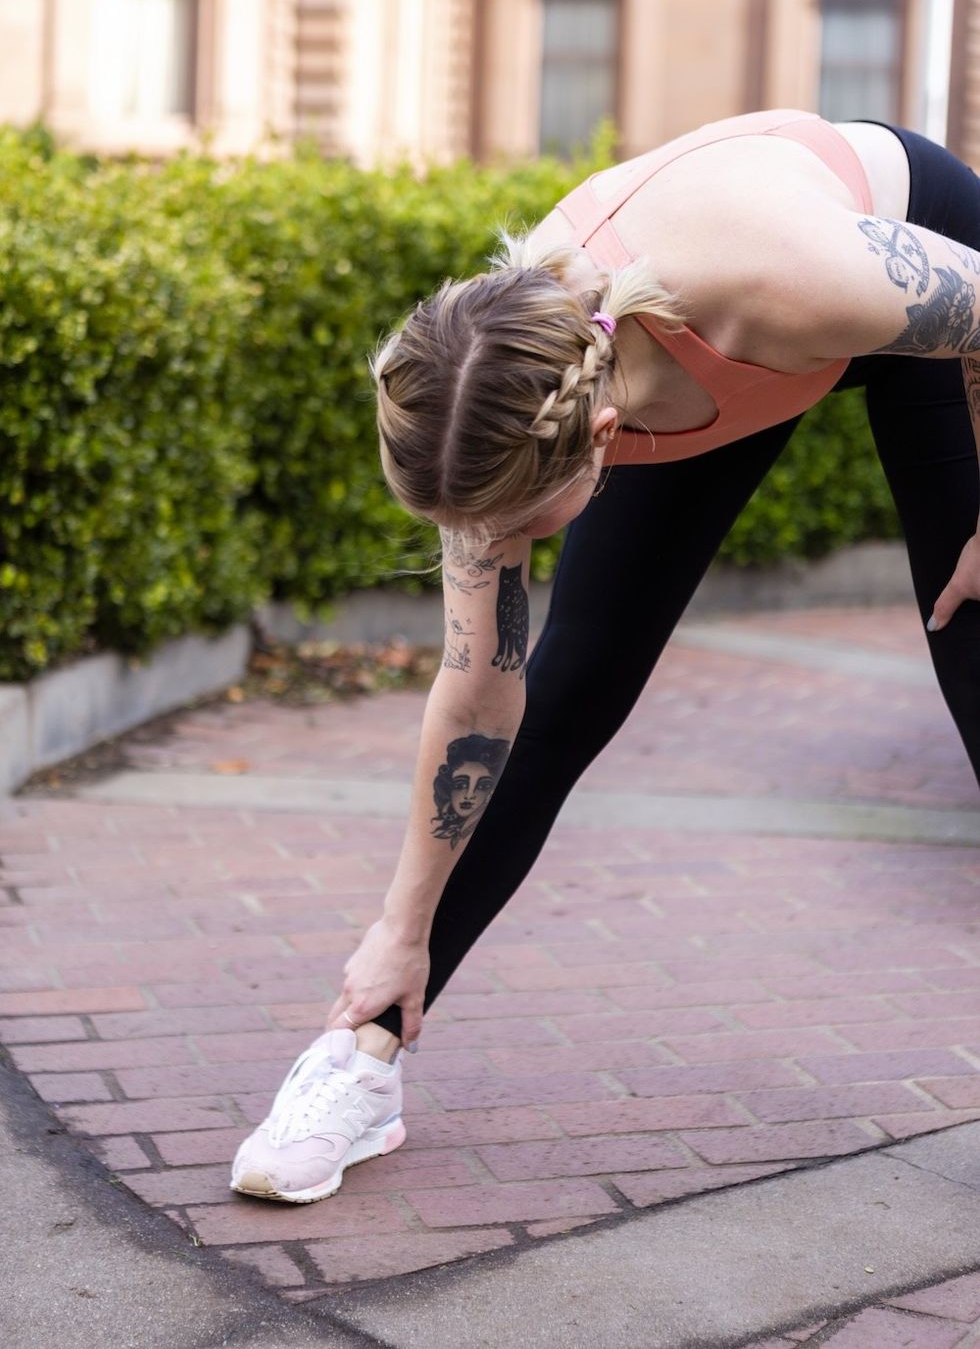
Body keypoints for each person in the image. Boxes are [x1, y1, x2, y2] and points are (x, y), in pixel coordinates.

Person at [230, 107, 980, 1204]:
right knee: (560, 689)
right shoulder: (488, 394)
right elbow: (479, 694)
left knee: (971, 634)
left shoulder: (790, 279)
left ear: (596, 443)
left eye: (523, 530)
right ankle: (358, 1060)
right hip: (707, 335)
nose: (505, 551)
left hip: (900, 261)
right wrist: (398, 929)